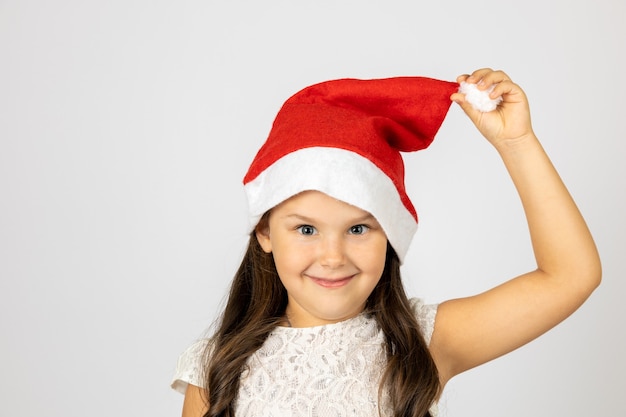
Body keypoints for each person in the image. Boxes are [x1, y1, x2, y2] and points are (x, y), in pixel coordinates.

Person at [171, 68, 601, 417]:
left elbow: (569, 276)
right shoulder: (218, 368)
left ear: (390, 234)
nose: (333, 256)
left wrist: (516, 143)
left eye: (359, 229)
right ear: (264, 233)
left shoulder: (424, 341)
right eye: (306, 229)